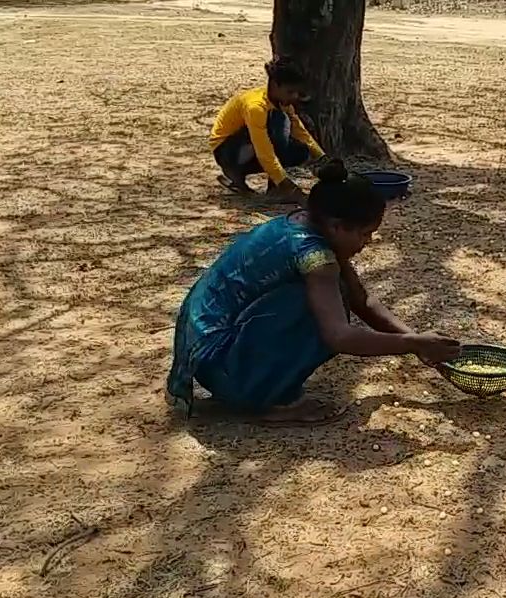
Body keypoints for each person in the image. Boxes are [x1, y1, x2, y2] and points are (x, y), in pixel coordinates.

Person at [167, 158, 461, 425]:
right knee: (311, 306)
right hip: (218, 360)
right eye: (363, 233)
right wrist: (412, 344)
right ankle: (265, 401)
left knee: (337, 294)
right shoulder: (315, 257)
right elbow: (339, 336)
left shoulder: (305, 224)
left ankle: (257, 383)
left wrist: (419, 341)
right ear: (335, 226)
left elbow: (362, 300)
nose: (367, 242)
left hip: (206, 350)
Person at [209, 58, 326, 201]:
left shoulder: (281, 103)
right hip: (227, 152)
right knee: (278, 122)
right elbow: (264, 150)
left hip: (247, 149)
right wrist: (286, 184)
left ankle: (269, 185)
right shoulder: (256, 107)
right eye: (290, 91)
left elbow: (300, 132)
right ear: (276, 85)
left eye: (297, 92)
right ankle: (239, 174)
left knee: (300, 151)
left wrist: (323, 158)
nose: (295, 97)